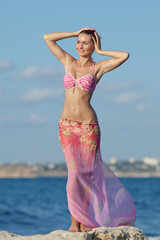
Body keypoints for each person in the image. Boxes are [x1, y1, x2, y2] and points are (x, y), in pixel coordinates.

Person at [43, 28, 137, 233]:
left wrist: (102, 52)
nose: (80, 46)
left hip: (88, 128)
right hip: (66, 126)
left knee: (86, 175)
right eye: (78, 42)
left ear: (93, 45)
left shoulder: (98, 68)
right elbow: (47, 38)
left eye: (86, 43)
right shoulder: (68, 62)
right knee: (74, 174)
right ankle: (74, 221)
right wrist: (75, 32)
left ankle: (84, 222)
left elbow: (124, 56)